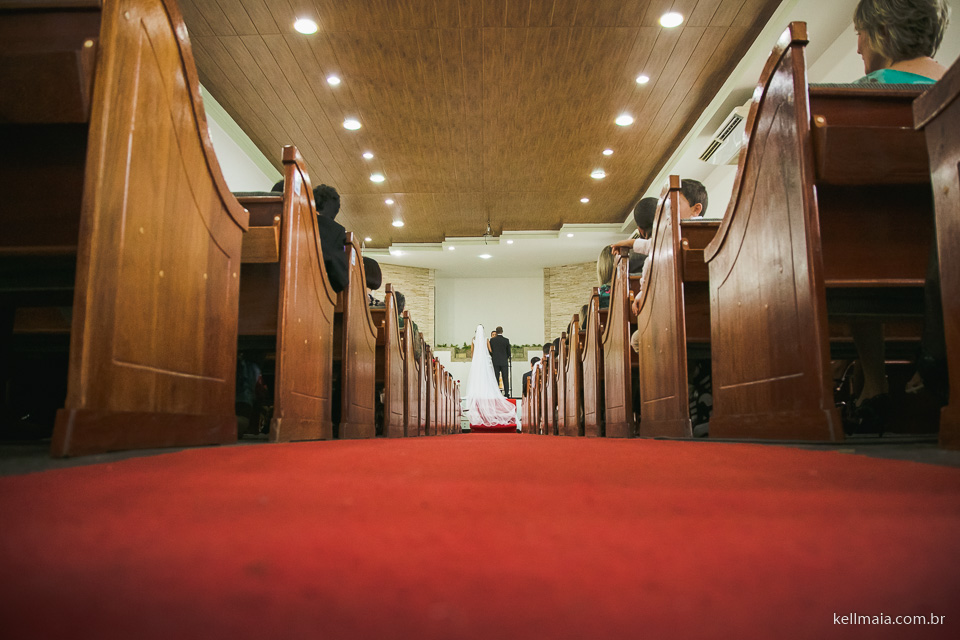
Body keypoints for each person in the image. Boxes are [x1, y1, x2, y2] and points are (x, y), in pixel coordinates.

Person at [845, 0, 950, 431]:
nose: (857, 47)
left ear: (881, 32)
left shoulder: (860, 95)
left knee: (851, 237)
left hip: (877, 259)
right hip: (943, 251)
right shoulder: (952, 84)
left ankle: (874, 383)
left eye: (860, 33)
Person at [465, 324, 517, 427]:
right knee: (488, 377)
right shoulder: (487, 340)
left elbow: (472, 351)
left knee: (477, 378)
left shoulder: (474, 340)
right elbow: (490, 351)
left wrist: (474, 360)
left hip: (477, 361)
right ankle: (503, 393)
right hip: (486, 361)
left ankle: (478, 392)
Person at [489, 326, 512, 397]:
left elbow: (491, 351)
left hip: (495, 361)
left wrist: (494, 357)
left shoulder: (492, 340)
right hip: (504, 362)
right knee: (505, 378)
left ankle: (496, 393)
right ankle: (507, 394)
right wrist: (506, 357)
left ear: (496, 332)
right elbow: (509, 352)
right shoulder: (506, 340)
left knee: (496, 377)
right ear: (502, 331)